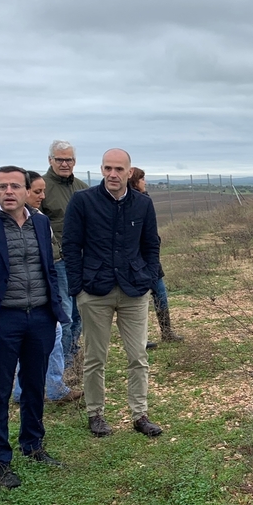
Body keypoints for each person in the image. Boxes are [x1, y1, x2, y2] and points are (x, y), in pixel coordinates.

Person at [0, 167, 69, 489]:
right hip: (1, 319)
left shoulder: (40, 221)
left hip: (39, 317)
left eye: (14, 186)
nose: (8, 191)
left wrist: (54, 311)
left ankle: (33, 444)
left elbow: (48, 267)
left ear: (26, 190)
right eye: (1, 186)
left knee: (34, 383)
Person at [63, 149, 162, 438]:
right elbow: (71, 246)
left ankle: (140, 414)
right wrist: (77, 288)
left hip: (134, 290)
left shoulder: (142, 204)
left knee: (138, 356)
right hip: (95, 290)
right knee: (96, 357)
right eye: (107, 168)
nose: (113, 174)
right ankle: (95, 414)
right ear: (101, 169)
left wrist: (148, 277)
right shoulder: (83, 201)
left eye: (119, 169)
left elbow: (151, 245)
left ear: (129, 172)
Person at [12, 171, 82, 404]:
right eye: (38, 191)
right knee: (41, 337)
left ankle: (45, 388)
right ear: (25, 190)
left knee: (51, 334)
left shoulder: (38, 217)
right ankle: (38, 390)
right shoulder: (16, 222)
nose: (43, 196)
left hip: (46, 285)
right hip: (28, 293)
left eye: (44, 191)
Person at [40, 140, 87, 369]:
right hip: (58, 260)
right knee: (65, 315)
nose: (65, 163)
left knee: (81, 312)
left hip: (83, 258)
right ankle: (64, 366)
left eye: (69, 159)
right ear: (50, 160)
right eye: (60, 159)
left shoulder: (82, 187)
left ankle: (73, 353)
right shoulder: (42, 187)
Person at [127, 167, 182, 345]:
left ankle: (167, 332)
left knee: (160, 293)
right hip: (135, 259)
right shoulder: (128, 202)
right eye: (142, 179)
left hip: (151, 259)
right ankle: (140, 339)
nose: (145, 182)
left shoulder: (145, 199)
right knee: (137, 302)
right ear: (135, 181)